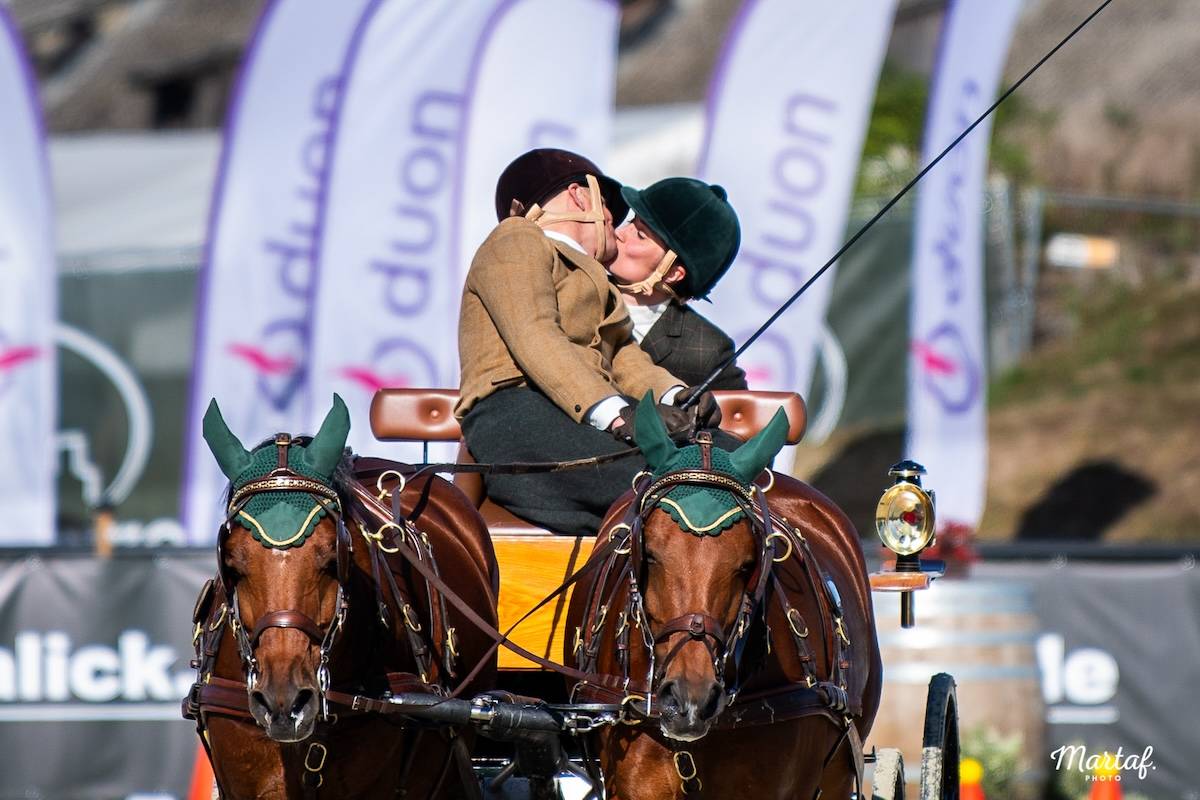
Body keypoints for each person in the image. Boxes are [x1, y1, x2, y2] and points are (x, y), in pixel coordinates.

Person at [454, 148, 723, 536]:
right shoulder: (517, 237)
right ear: (580, 196)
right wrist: (619, 416)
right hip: (519, 413)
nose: (617, 220)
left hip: (581, 421)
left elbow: (623, 355)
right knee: (675, 478)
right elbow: (536, 336)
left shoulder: (598, 281)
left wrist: (675, 395)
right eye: (608, 204)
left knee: (726, 458)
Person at [607, 177, 748, 390]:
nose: (619, 233)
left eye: (640, 235)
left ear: (673, 273)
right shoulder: (572, 279)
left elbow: (741, 411)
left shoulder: (707, 353)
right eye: (631, 221)